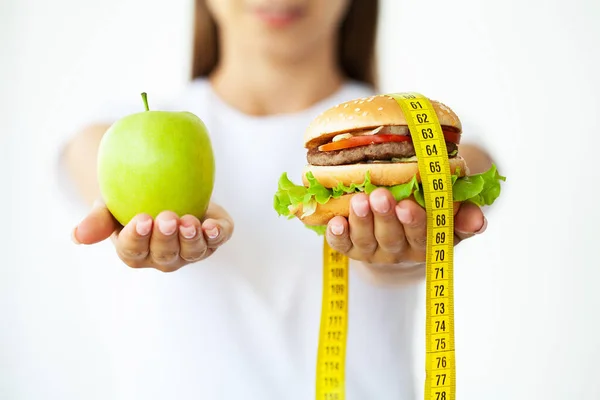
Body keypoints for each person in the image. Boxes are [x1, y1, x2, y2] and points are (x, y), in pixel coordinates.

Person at [62, 0, 493, 398]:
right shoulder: (116, 133)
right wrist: (129, 207)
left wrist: (409, 252)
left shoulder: (429, 135)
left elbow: (471, 162)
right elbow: (82, 153)